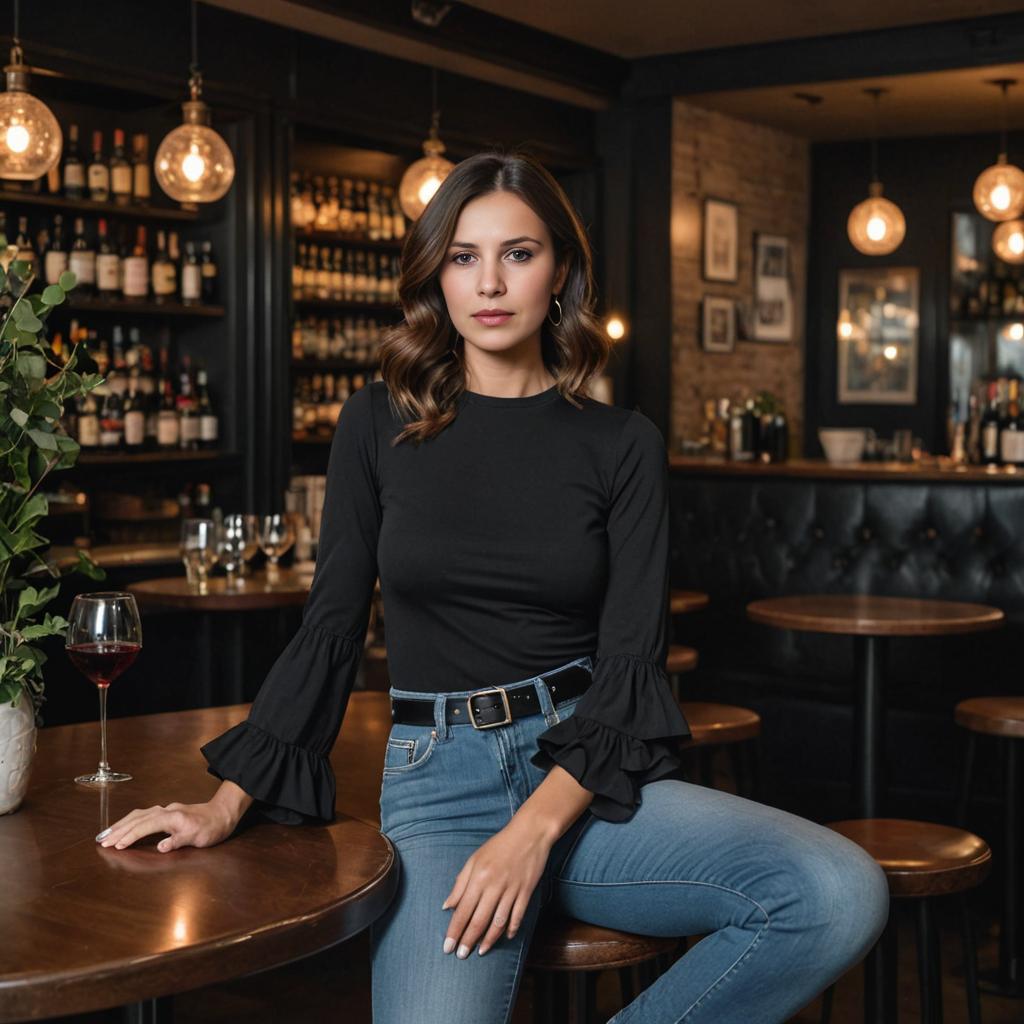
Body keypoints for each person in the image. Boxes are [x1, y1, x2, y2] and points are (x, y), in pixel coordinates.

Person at [99, 151, 889, 1023]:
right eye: (464, 256)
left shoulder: (622, 444)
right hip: (438, 789)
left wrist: (533, 831)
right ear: (436, 275)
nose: (490, 282)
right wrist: (224, 801)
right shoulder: (375, 424)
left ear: (560, 272)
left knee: (835, 891)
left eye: (518, 253)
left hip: (585, 784)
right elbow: (329, 629)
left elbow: (631, 666)